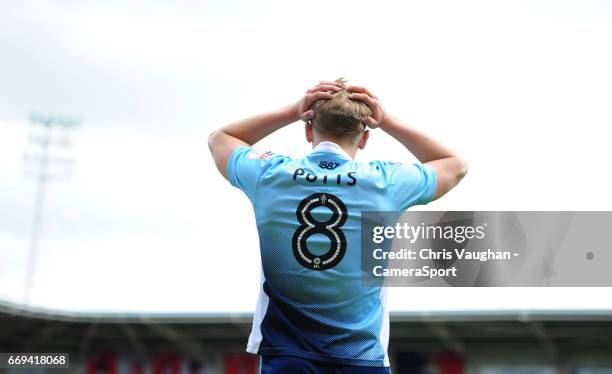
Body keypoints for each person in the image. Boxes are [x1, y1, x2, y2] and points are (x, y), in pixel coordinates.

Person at [208, 78, 468, 373]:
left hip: (287, 355)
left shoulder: (269, 174)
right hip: (361, 357)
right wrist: (388, 121)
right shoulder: (387, 182)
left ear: (308, 128)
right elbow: (454, 164)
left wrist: (292, 110)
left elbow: (221, 138)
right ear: (365, 137)